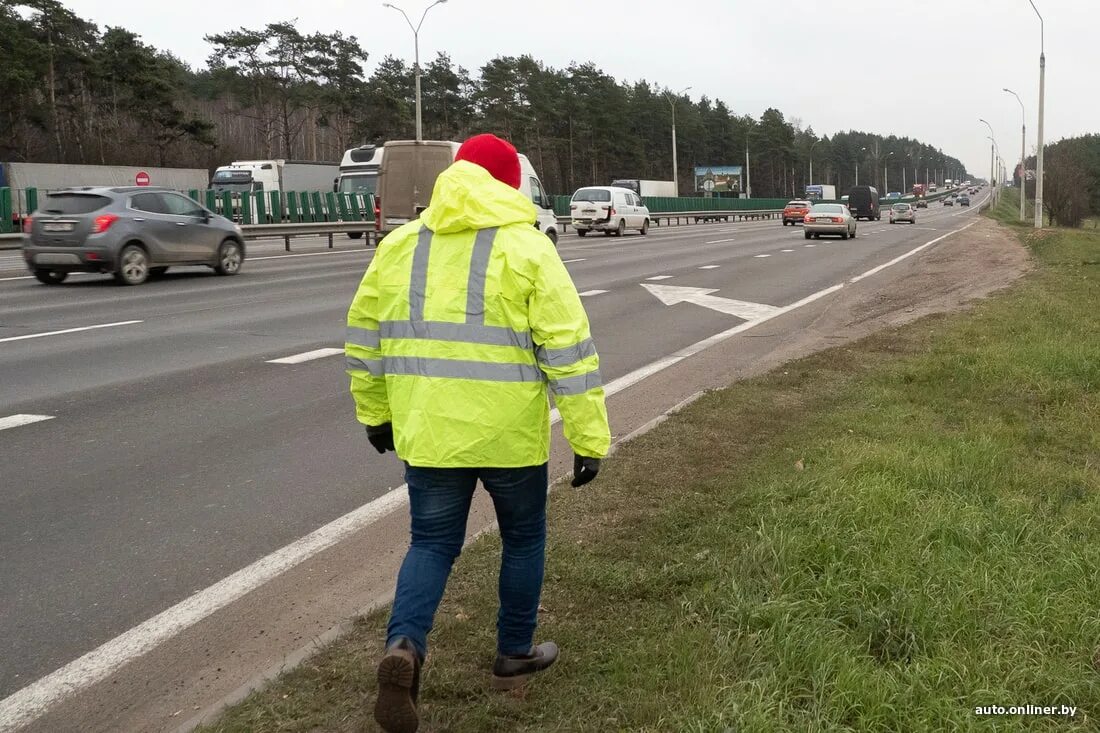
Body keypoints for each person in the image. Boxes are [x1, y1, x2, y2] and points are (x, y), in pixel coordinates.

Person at [345, 133, 610, 733]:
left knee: (431, 543)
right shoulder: (528, 249)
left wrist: (376, 413)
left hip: (430, 433)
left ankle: (406, 648)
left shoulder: (400, 246)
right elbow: (569, 352)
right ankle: (513, 655)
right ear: (510, 184)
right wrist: (589, 440)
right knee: (522, 539)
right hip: (509, 436)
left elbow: (364, 340)